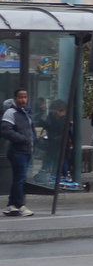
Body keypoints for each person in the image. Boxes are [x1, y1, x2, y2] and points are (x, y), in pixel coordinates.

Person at [1, 88, 35, 216]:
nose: (23, 100)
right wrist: (23, 139)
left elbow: (30, 130)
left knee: (19, 179)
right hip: (17, 151)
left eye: (25, 97)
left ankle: (12, 205)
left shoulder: (25, 112)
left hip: (26, 151)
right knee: (20, 179)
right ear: (15, 98)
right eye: (20, 97)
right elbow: (6, 130)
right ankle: (20, 205)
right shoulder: (11, 112)